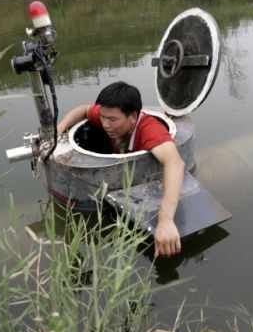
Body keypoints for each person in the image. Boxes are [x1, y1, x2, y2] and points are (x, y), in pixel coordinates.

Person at [56, 81, 184, 258]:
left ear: (132, 116)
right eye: (102, 117)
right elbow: (84, 110)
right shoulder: (109, 118)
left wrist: (166, 220)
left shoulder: (149, 130)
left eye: (112, 119)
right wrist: (61, 127)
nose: (105, 124)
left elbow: (175, 163)